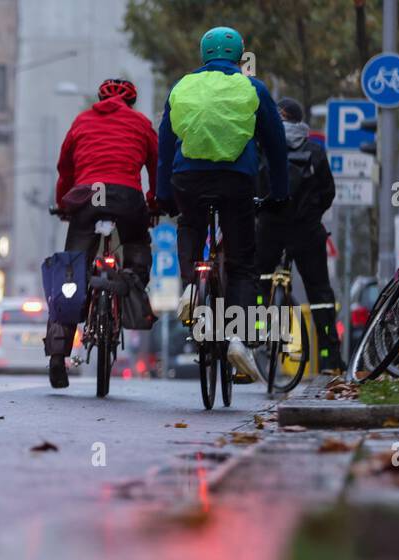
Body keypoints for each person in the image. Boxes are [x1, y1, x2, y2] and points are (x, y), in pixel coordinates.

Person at [156, 26, 289, 382]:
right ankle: (237, 339)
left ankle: (189, 287)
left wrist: (163, 194)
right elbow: (277, 146)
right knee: (243, 264)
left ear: (203, 54)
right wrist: (279, 192)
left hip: (188, 178)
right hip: (236, 180)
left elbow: (165, 145)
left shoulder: (182, 86)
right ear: (239, 55)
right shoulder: (254, 88)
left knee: (189, 223)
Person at [45, 78, 159, 389]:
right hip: (126, 196)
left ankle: (58, 355)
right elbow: (156, 166)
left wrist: (64, 203)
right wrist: (154, 203)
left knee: (71, 270)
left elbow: (64, 168)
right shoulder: (141, 123)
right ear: (131, 102)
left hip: (86, 196)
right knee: (136, 244)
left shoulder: (81, 121)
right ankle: (131, 281)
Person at [256, 97, 341, 370]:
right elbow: (328, 192)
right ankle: (330, 357)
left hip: (270, 228)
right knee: (319, 292)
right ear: (299, 121)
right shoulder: (315, 151)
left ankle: (254, 336)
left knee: (257, 281)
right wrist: (311, 214)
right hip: (306, 231)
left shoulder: (263, 146)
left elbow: (253, 187)